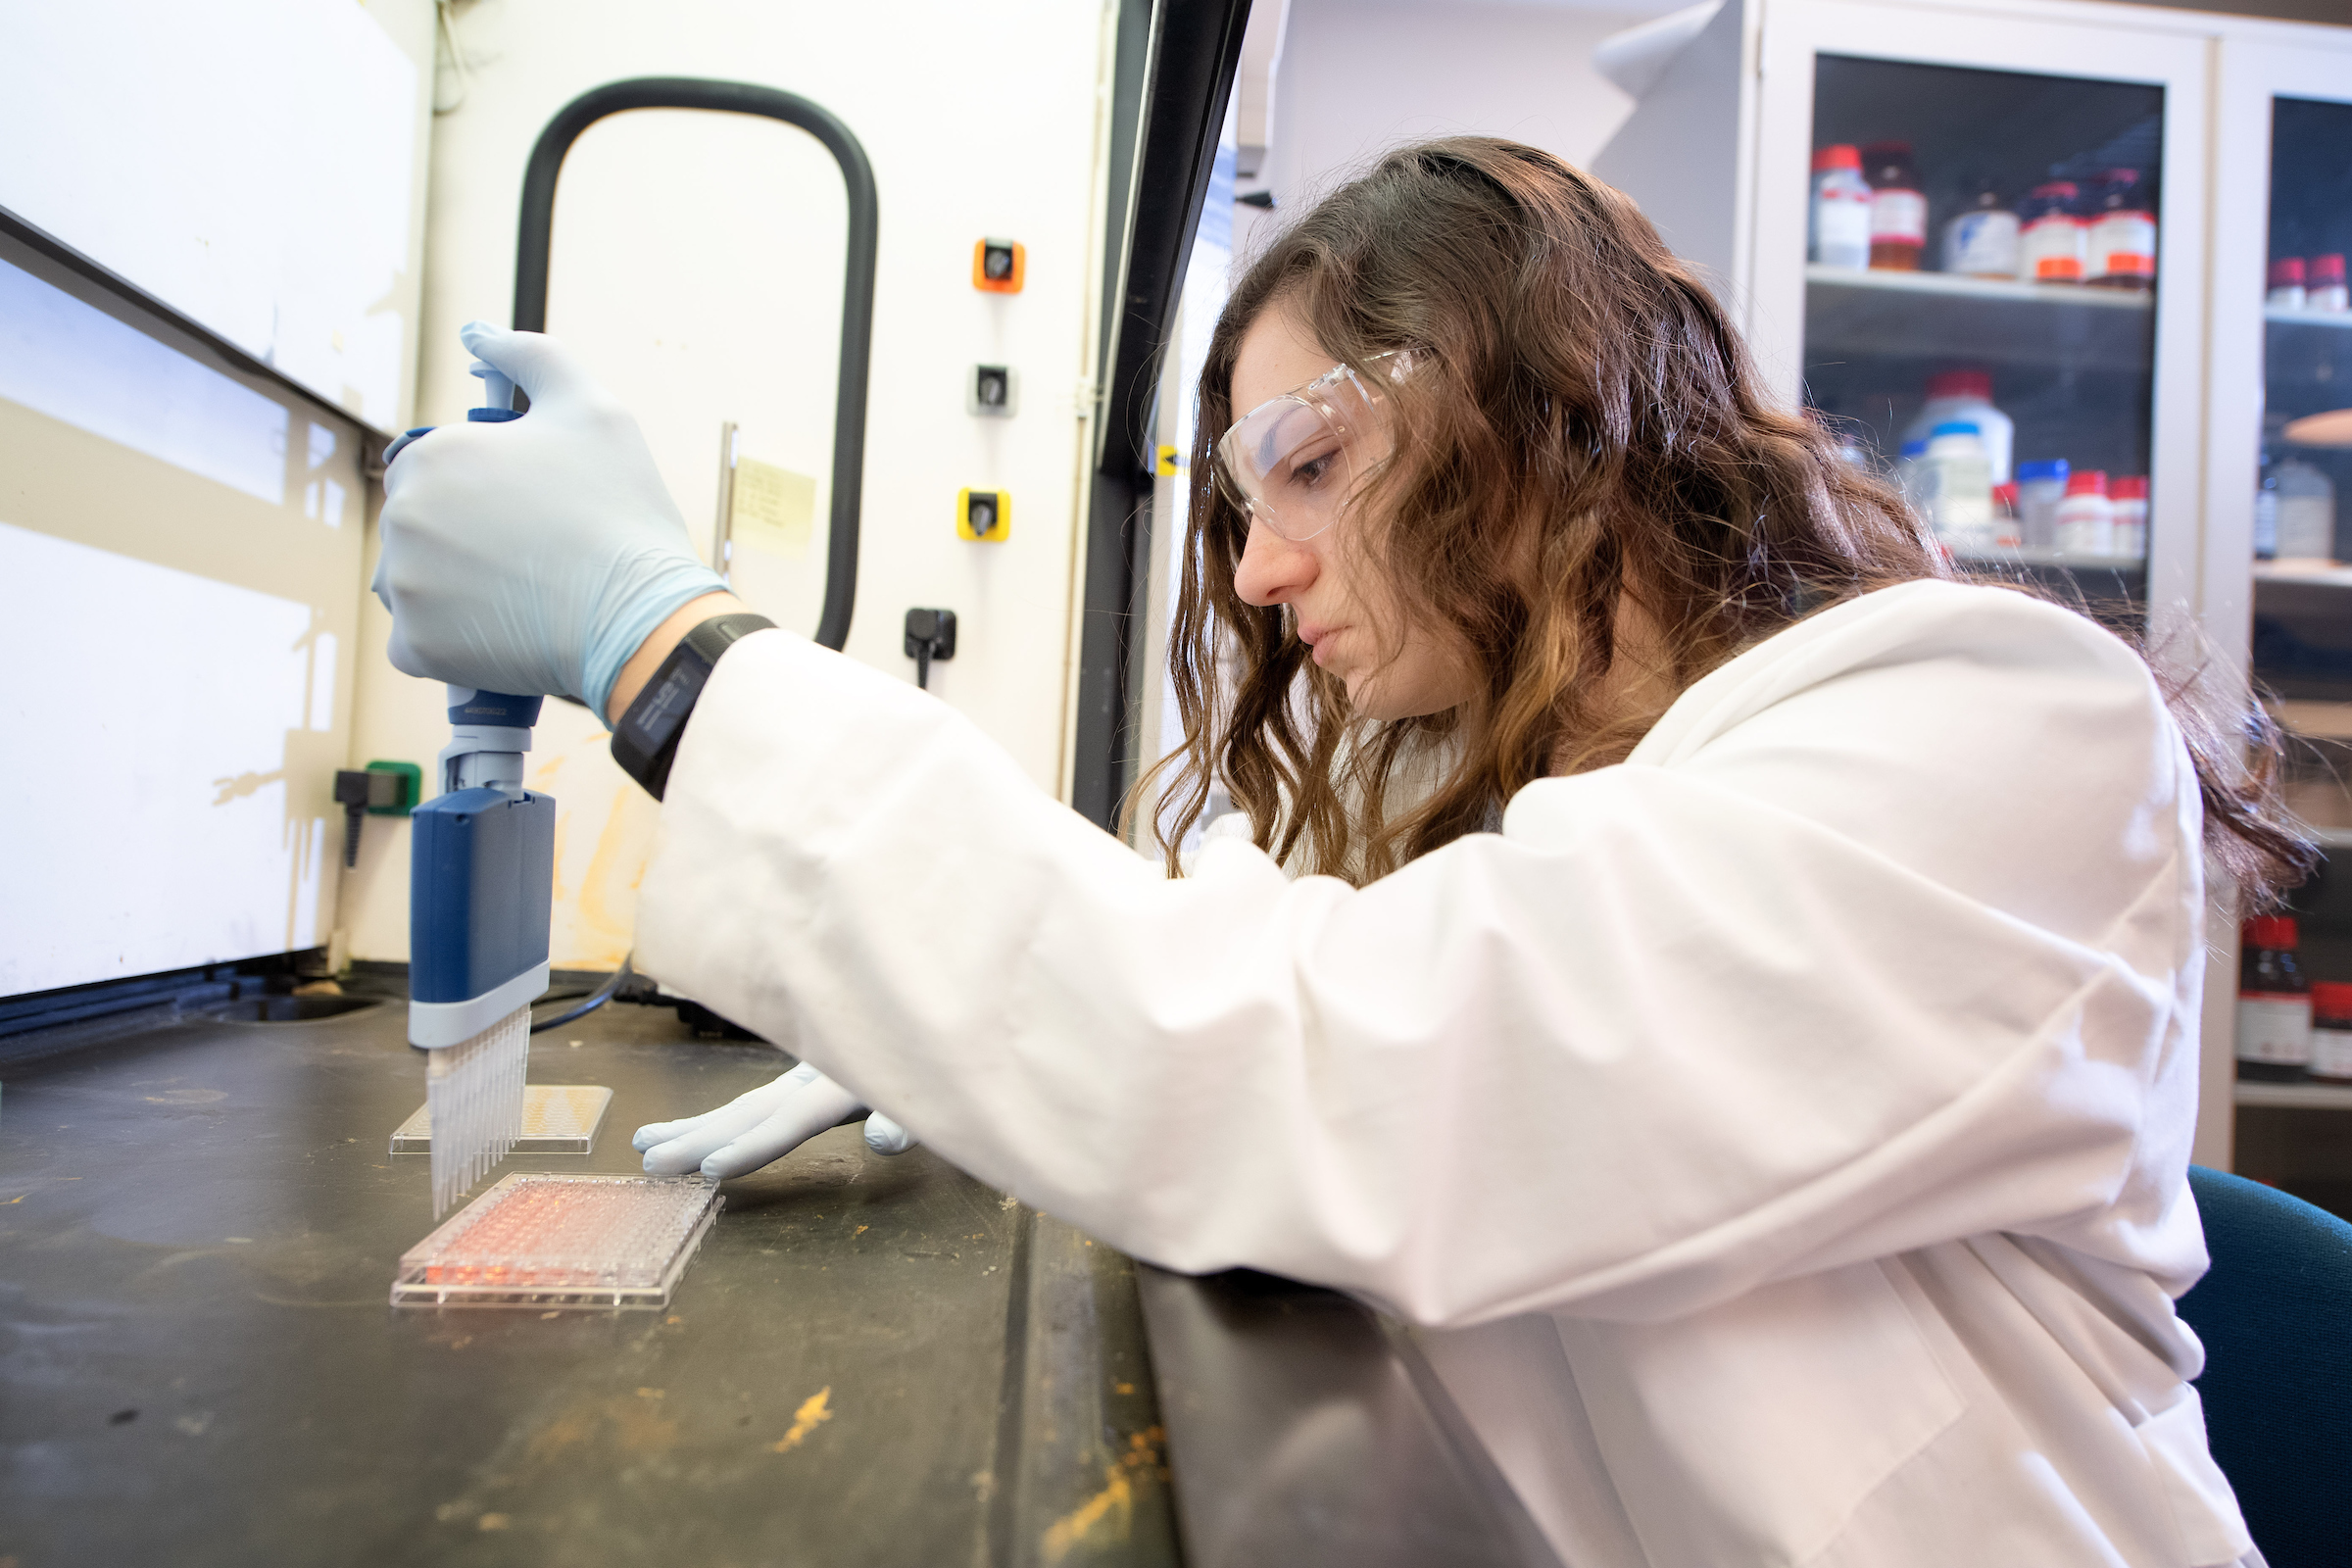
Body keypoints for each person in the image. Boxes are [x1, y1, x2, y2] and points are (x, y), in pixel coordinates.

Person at [375, 138, 2304, 1567]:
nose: (1255, 564)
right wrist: (944, 1027)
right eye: (1234, 499)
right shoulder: (1532, 799)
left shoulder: (2002, 726)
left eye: (1307, 462)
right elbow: (1281, 956)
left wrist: (667, 658)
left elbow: (1366, 1065)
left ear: (1549, 401)